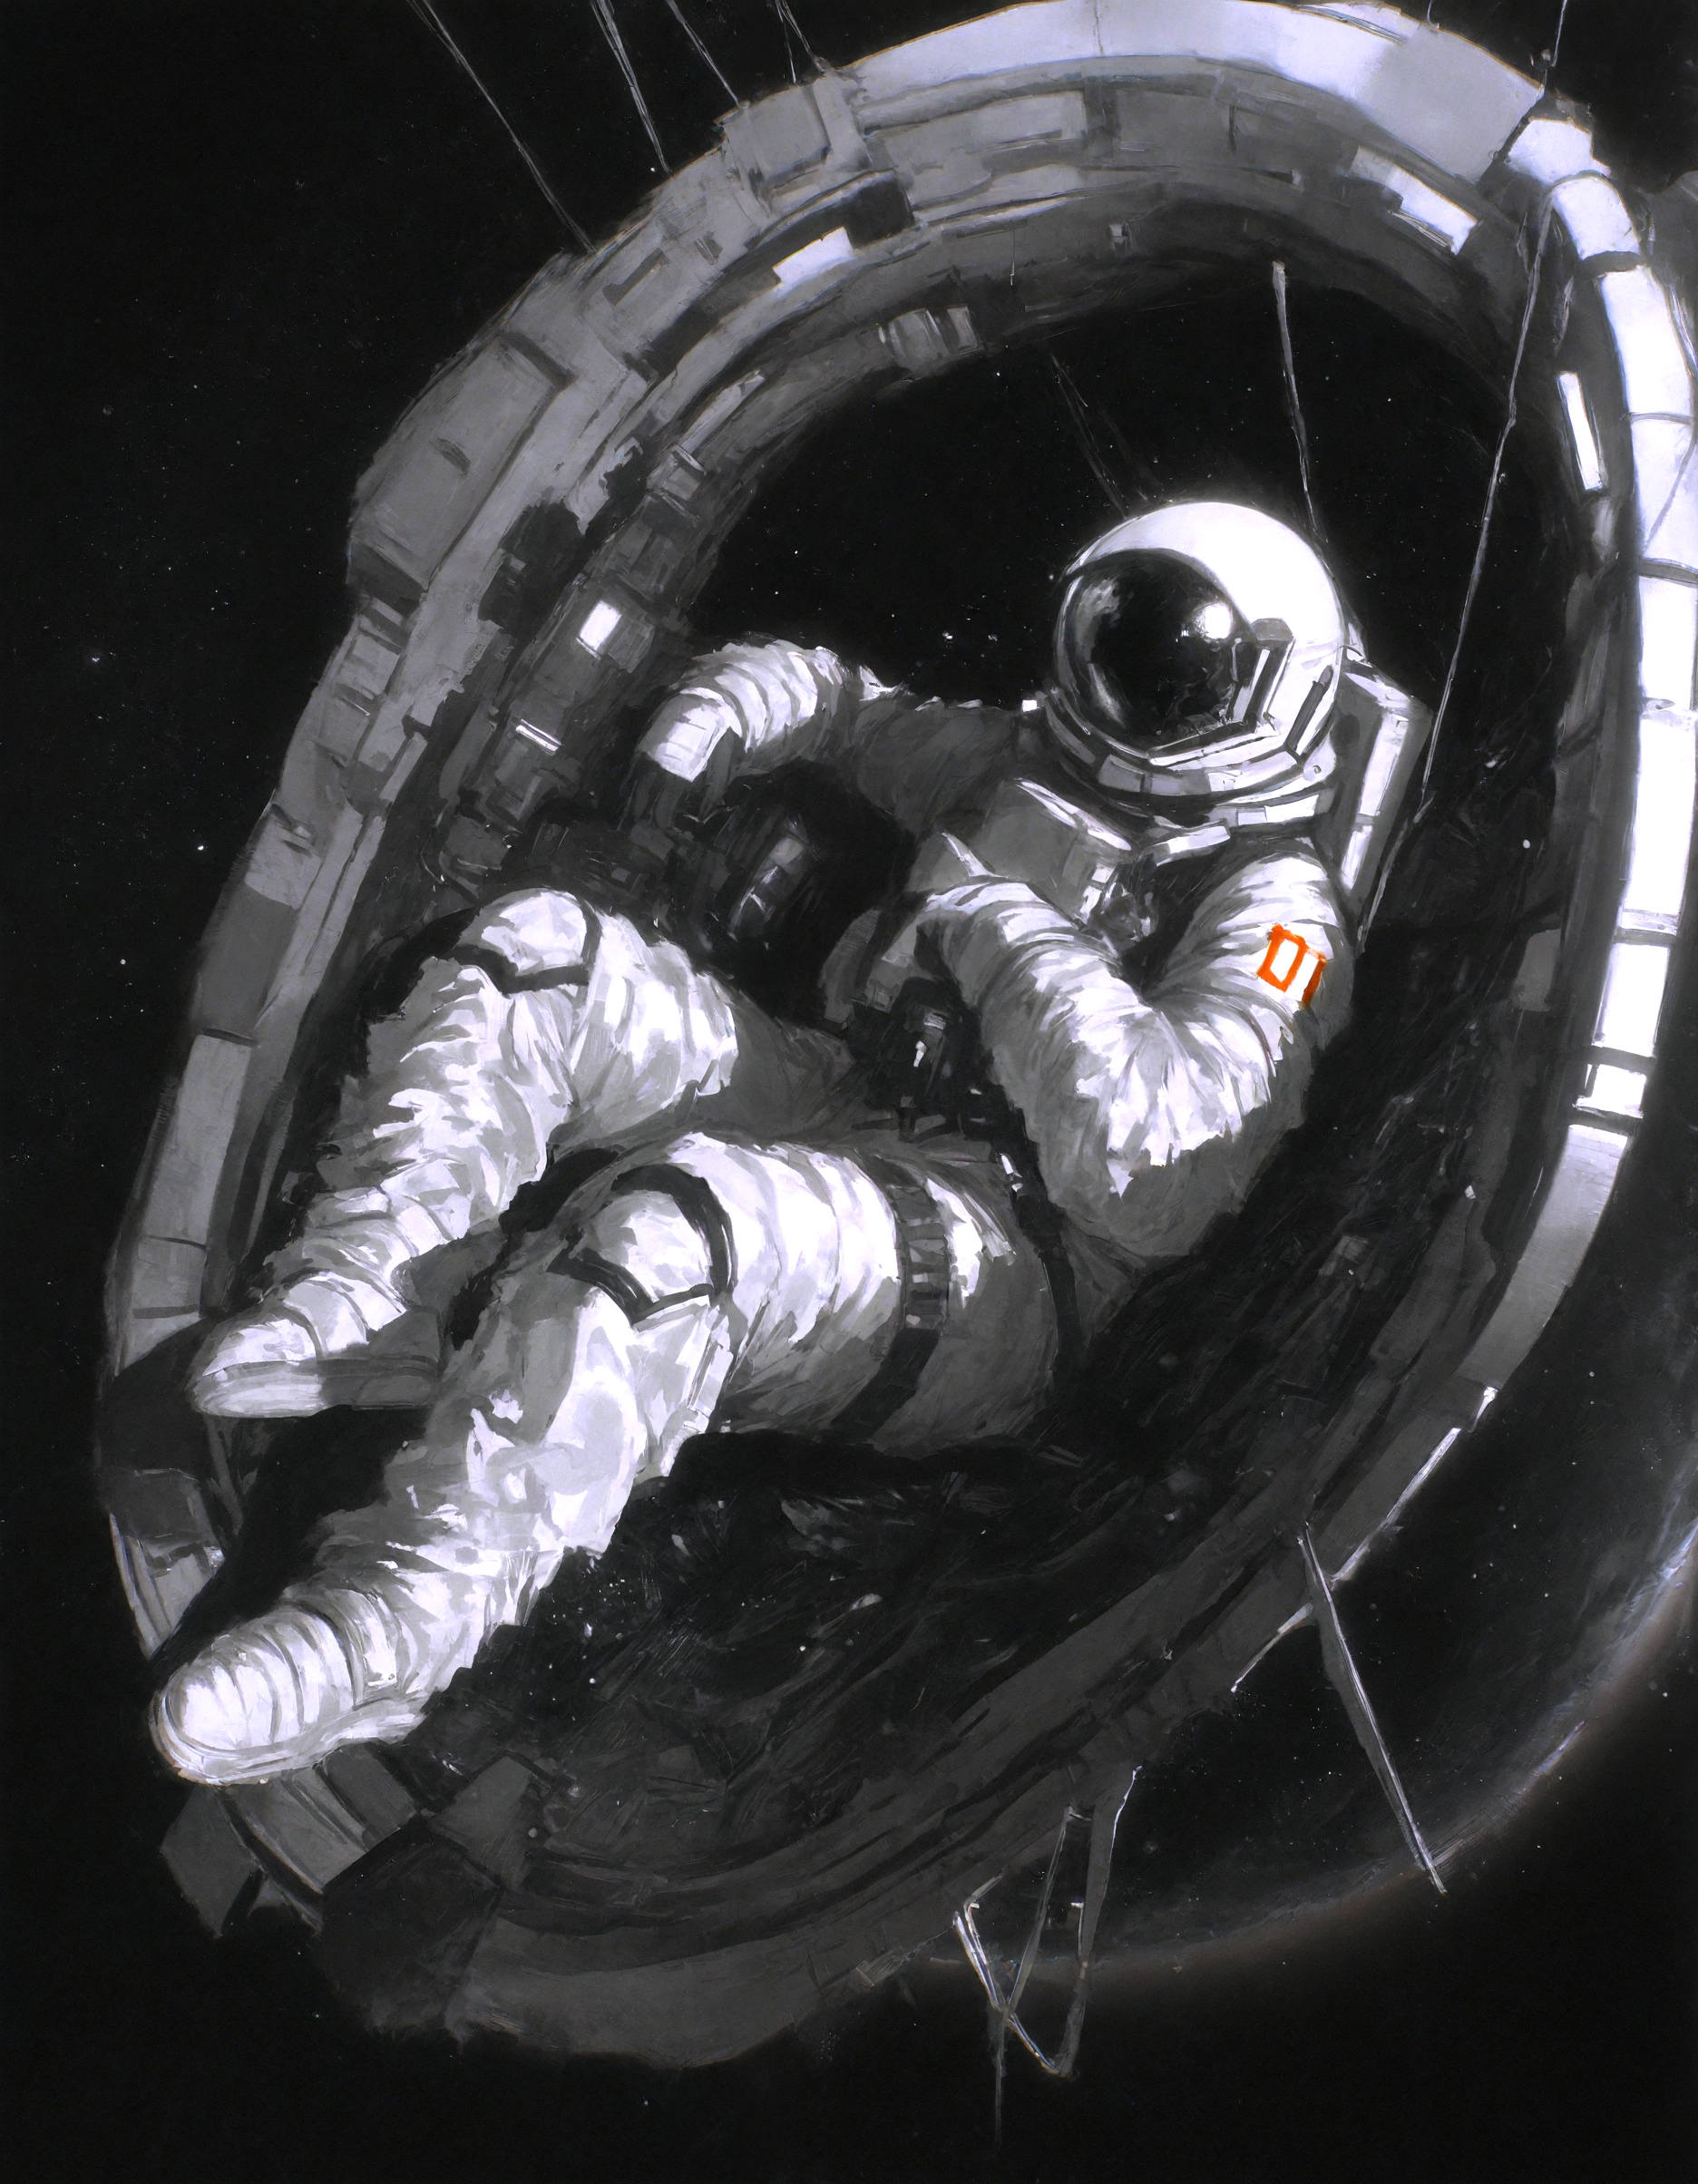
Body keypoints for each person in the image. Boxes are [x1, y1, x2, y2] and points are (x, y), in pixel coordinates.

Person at [153, 500, 1362, 1785]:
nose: (1134, 699)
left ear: (1270, 693)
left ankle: (387, 1630)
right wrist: (722, 711)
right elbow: (845, 707)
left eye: (1176, 679)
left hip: (1014, 1253)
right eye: (1118, 649)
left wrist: (1003, 926)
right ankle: (371, 1297)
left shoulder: (1276, 917)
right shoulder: (1019, 763)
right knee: (534, 958)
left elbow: (1152, 1176)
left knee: (680, 1230)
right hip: (853, 1093)